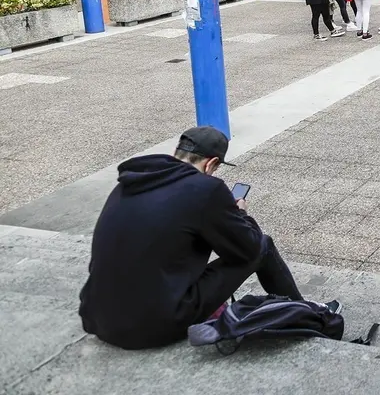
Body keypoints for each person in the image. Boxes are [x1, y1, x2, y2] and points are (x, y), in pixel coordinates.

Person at [79, 126, 337, 349]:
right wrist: (240, 215)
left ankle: (301, 311)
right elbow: (247, 249)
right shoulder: (205, 188)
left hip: (98, 318)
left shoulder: (129, 183)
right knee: (262, 245)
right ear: (211, 164)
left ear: (176, 153)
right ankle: (310, 315)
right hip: (154, 326)